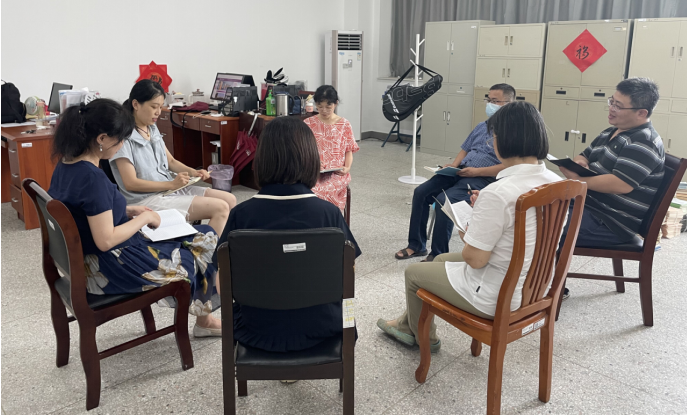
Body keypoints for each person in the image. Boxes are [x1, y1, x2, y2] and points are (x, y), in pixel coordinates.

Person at [378, 101, 562, 351]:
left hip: (499, 295)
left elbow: (475, 259)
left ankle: (425, 339)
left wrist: (469, 226)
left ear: (503, 140)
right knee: (440, 259)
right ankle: (406, 324)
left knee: (413, 274)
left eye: (493, 137)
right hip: (536, 286)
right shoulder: (557, 182)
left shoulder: (498, 192)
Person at [47, 99, 222, 338]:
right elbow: (106, 240)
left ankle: (203, 316)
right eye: (120, 139)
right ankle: (204, 320)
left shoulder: (66, 165)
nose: (121, 145)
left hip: (85, 261)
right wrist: (144, 218)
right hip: (110, 267)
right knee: (204, 243)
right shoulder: (92, 178)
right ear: (101, 139)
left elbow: (84, 210)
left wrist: (129, 211)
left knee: (198, 236)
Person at [215, 117, 361, 353]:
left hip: (256, 330)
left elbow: (222, 282)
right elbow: (347, 274)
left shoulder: (241, 216)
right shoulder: (330, 214)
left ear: (262, 160)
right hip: (323, 327)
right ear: (311, 159)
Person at [557, 77, 664, 300]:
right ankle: (537, 284)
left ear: (641, 113)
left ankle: (547, 291)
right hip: (589, 207)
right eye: (611, 102)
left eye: (618, 106)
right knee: (534, 213)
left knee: (544, 226)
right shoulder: (612, 131)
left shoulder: (644, 141)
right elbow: (584, 155)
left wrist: (578, 180)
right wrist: (580, 164)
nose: (611, 109)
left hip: (610, 221)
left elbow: (620, 184)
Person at [395, 83, 516, 262]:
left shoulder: (512, 132)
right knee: (421, 192)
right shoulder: (482, 126)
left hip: (483, 178)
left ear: (509, 103)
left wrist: (476, 172)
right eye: (488, 100)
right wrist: (452, 166)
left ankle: (438, 255)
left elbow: (508, 166)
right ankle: (416, 245)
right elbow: (465, 149)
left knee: (445, 201)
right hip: (461, 171)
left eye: (495, 101)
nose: (490, 104)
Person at [110, 79, 236, 234]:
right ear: (135, 104)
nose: (158, 112)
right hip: (146, 199)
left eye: (160, 107)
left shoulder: (151, 128)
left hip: (168, 189)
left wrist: (194, 172)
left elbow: (170, 161)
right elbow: (131, 183)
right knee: (220, 208)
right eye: (153, 107)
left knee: (229, 199)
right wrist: (171, 184)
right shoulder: (122, 137)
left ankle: (220, 243)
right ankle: (207, 248)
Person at [304, 85, 359, 213]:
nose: (324, 110)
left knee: (322, 192)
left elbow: (349, 150)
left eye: (328, 107)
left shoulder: (344, 124)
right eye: (320, 106)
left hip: (336, 174)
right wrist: (312, 163)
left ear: (336, 104)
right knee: (304, 191)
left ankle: (329, 221)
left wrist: (347, 168)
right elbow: (303, 150)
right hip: (313, 172)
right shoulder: (308, 124)